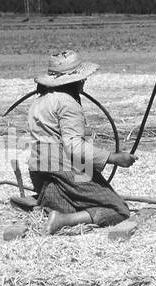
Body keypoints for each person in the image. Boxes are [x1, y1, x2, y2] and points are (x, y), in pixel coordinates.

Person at [25, 50, 135, 234]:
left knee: (73, 205)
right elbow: (74, 148)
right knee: (119, 211)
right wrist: (115, 158)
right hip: (63, 167)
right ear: (75, 80)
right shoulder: (68, 103)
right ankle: (64, 220)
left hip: (38, 169)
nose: (84, 82)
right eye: (82, 79)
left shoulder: (39, 101)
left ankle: (60, 213)